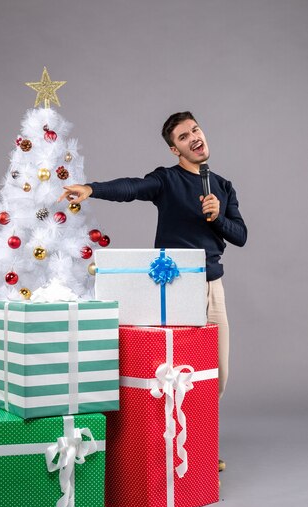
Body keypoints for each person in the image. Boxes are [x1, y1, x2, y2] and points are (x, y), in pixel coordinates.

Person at [58, 111, 247, 471]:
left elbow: (240, 236)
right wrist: (92, 189)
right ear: (174, 148)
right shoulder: (166, 180)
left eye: (195, 130)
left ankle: (198, 442)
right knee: (173, 372)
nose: (194, 138)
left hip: (210, 287)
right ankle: (172, 451)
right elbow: (131, 188)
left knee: (216, 373)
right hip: (173, 288)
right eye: (183, 136)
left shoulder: (222, 186)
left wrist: (217, 217)